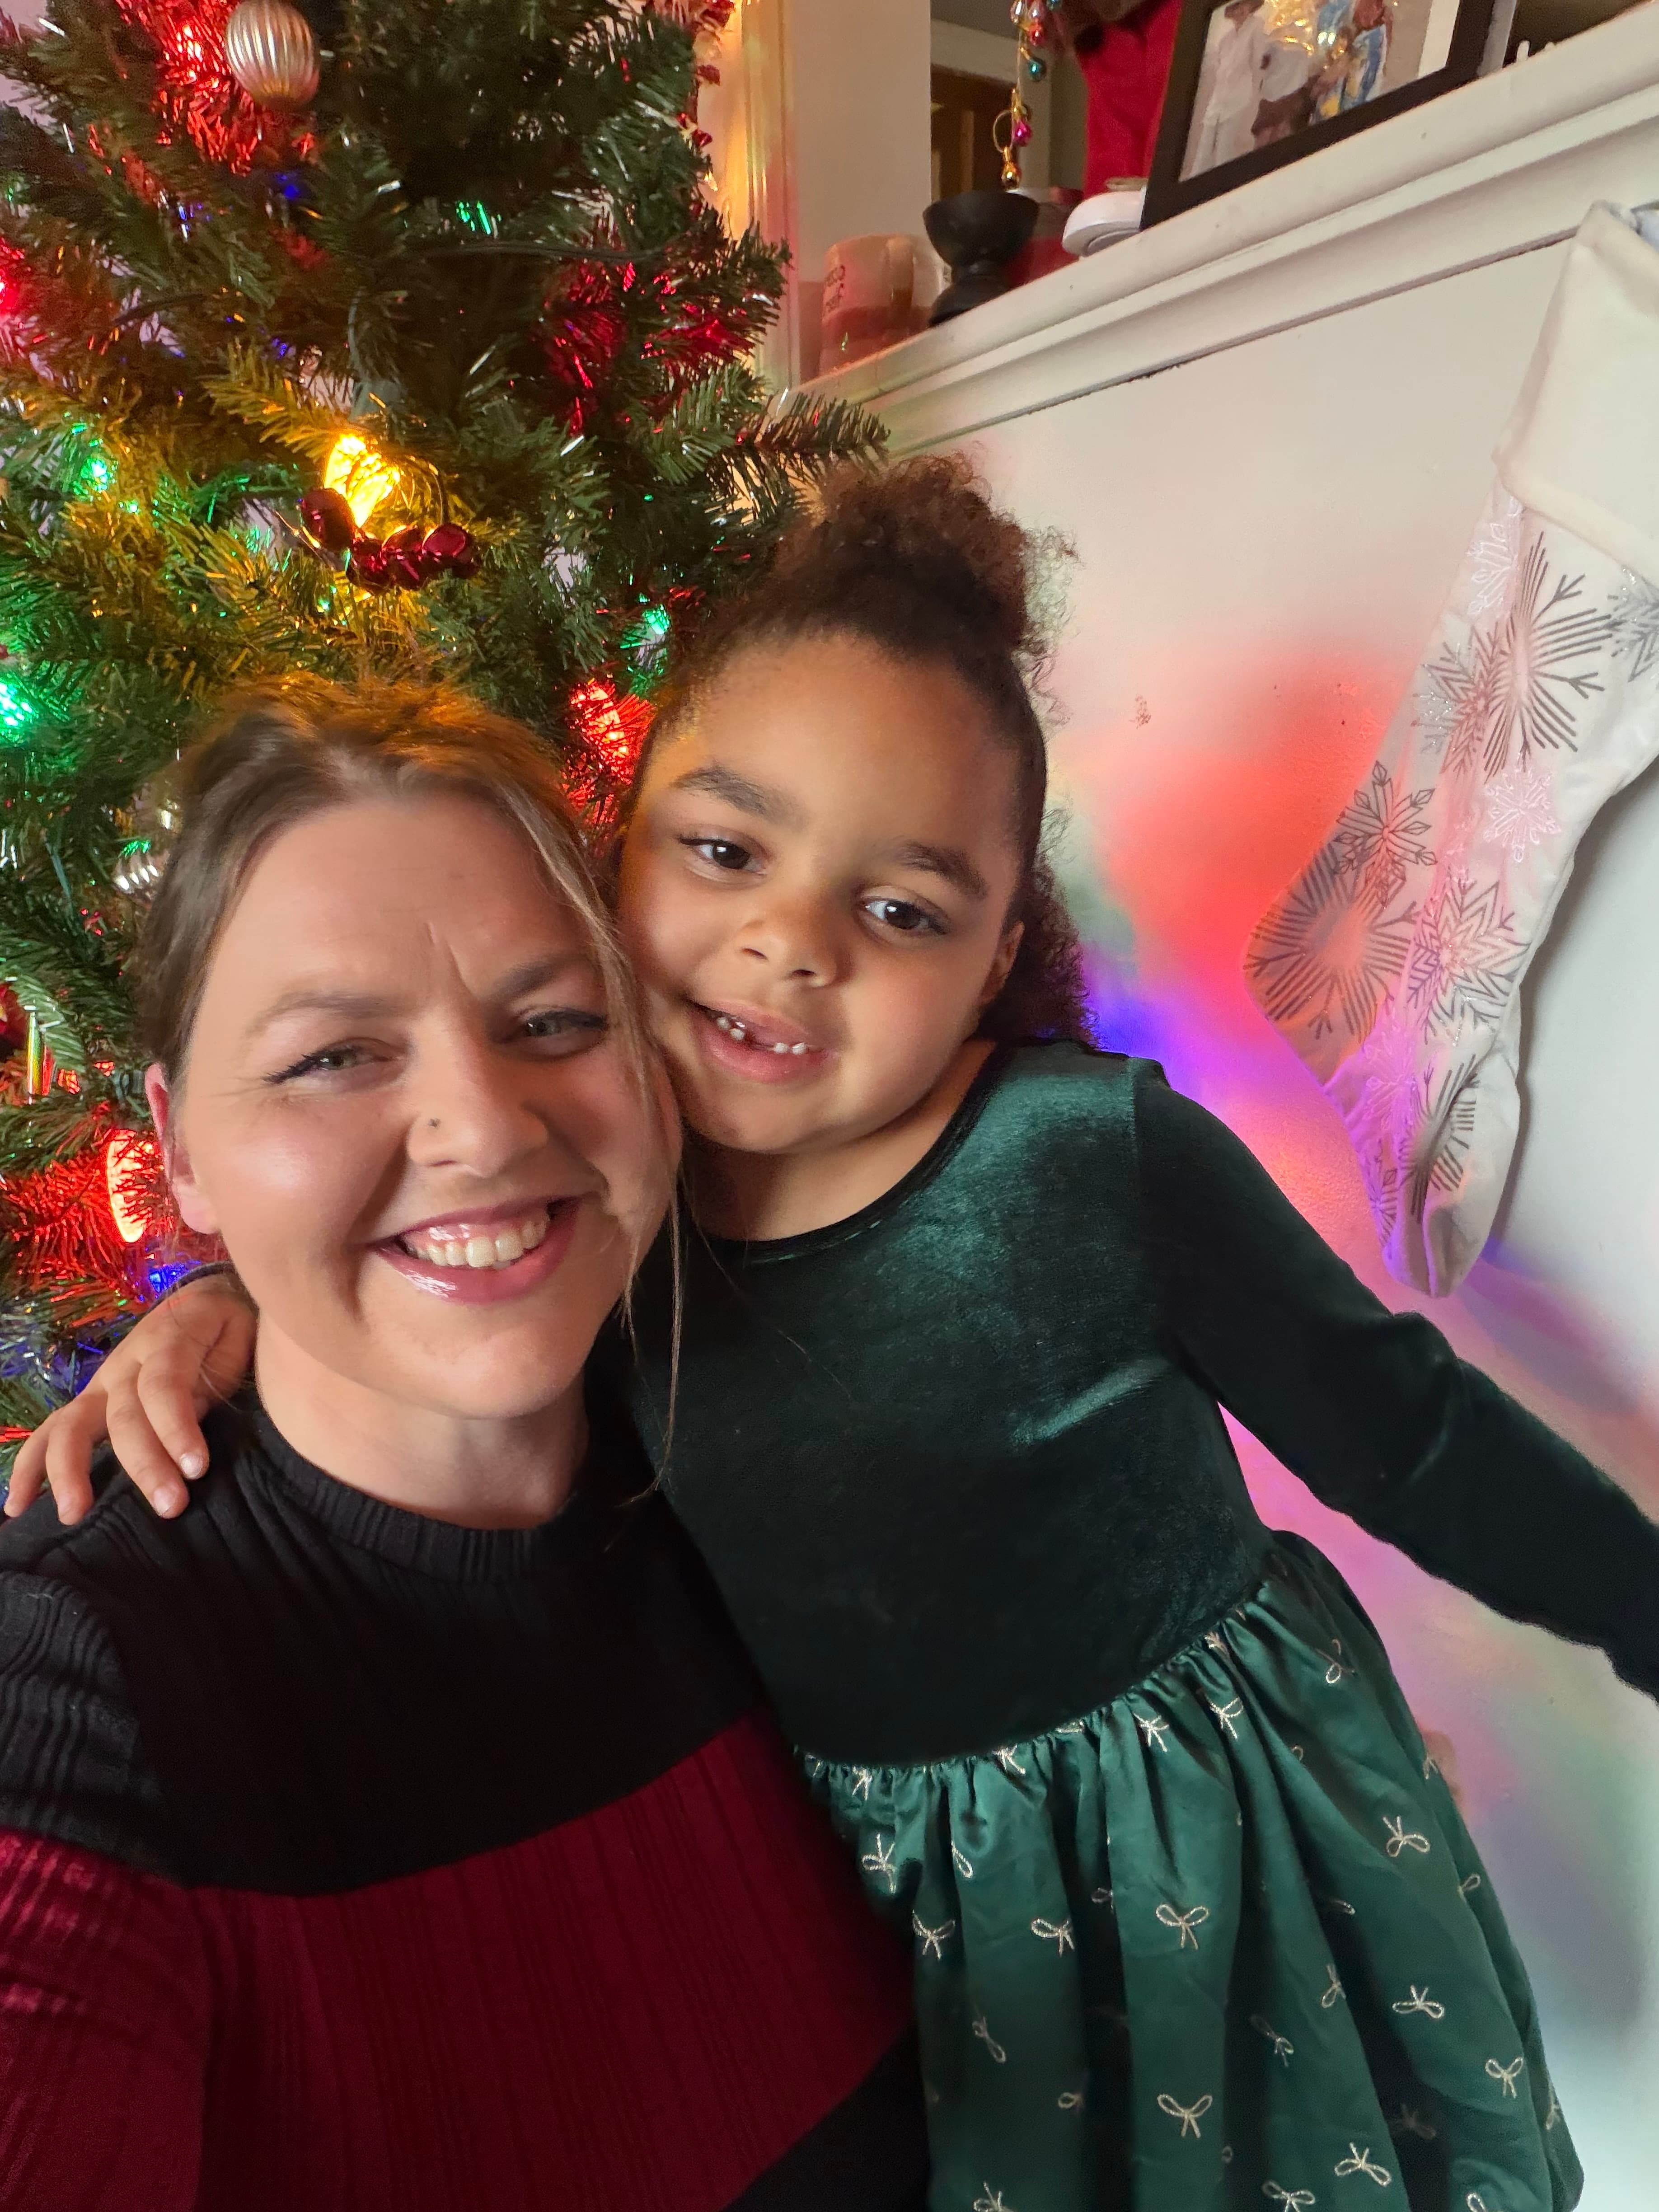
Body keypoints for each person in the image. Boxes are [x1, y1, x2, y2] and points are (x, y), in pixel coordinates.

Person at [19, 462, 1659, 2212]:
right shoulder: (601, 1232)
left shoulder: (1092, 1160)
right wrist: (209, 1317)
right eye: (724, 851)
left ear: (995, 954)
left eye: (899, 911)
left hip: (1222, 1860)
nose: (787, 946)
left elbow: (1409, 1435)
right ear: (620, 854)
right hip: (917, 1922)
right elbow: (415, 1293)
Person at [0, 683, 930, 2211]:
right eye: (331, 1057)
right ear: (177, 1150)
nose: (484, 1128)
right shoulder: (80, 1675)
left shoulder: (771, 1449)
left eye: (553, 1020)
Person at [1182, 0, 1271, 175]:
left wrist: (1258, 94)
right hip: (1218, 102)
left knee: (1225, 152)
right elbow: (1219, 71)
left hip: (1238, 100)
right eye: (1235, 7)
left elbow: (1258, 63)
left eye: (1243, 6)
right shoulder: (1226, 40)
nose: (1240, 11)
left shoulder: (1256, 27)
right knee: (1203, 151)